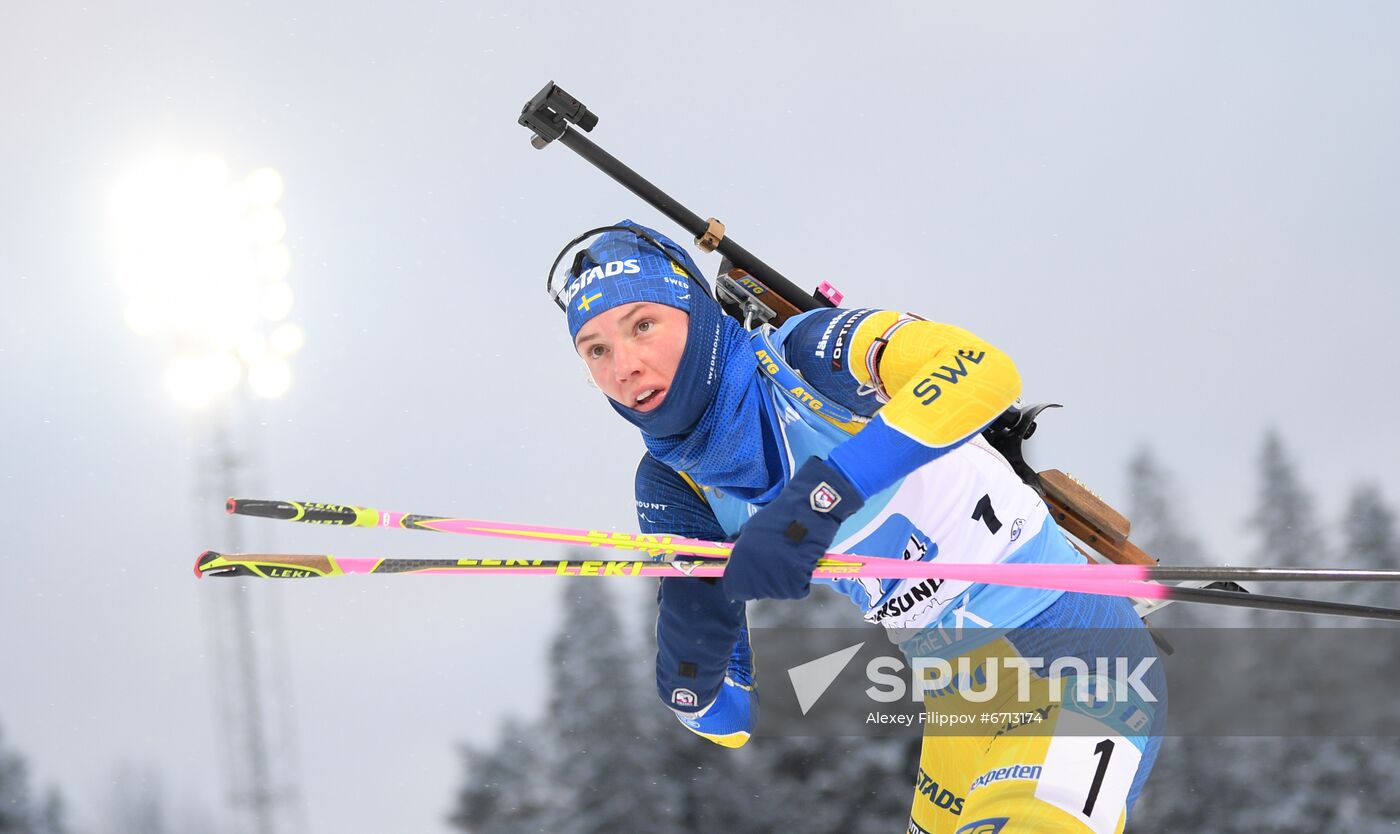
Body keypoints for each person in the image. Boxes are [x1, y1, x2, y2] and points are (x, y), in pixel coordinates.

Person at [553, 220, 1165, 834]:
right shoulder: (672, 480)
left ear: (696, 315)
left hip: (1076, 666)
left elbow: (981, 368)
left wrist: (823, 497)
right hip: (961, 712)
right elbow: (727, 717)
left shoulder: (809, 357)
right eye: (595, 349)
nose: (624, 366)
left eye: (642, 325)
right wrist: (694, 654)